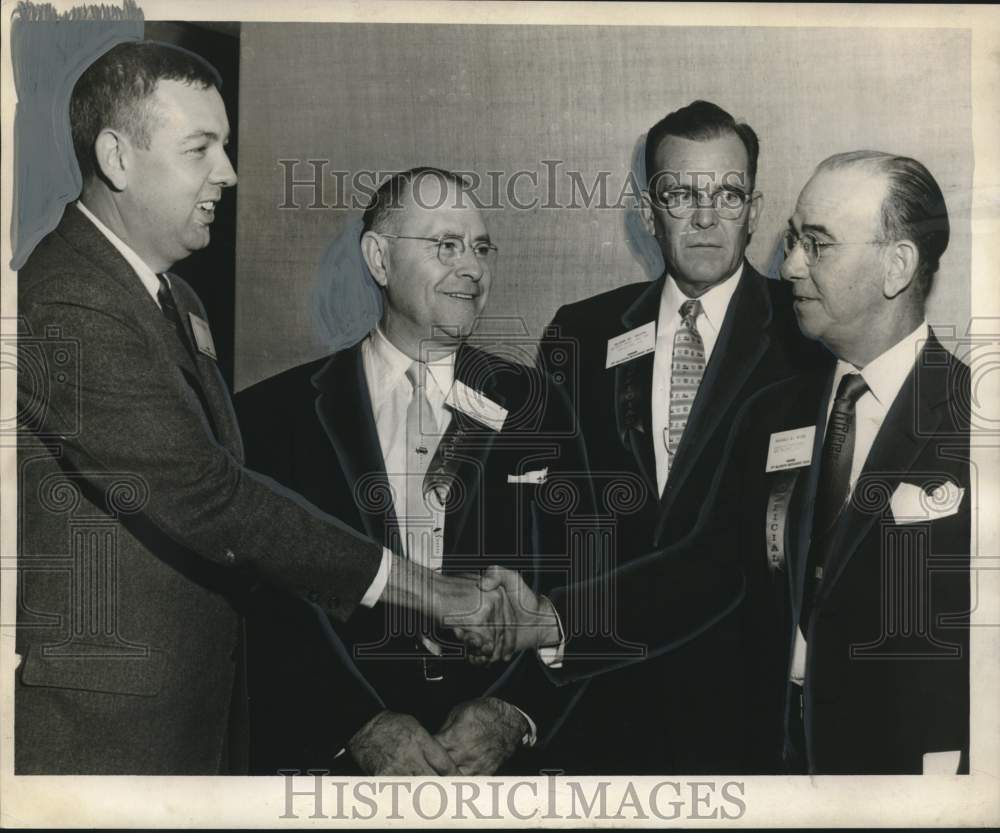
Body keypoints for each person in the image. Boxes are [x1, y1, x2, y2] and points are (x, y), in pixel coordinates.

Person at [15, 40, 507, 776]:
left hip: (189, 713)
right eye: (200, 148)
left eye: (227, 146)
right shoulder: (68, 300)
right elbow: (213, 497)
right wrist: (427, 590)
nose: (229, 172)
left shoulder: (174, 297)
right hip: (109, 729)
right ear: (117, 158)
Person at [501, 150, 970, 775]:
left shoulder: (977, 424)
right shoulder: (778, 408)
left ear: (897, 266)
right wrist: (554, 619)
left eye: (819, 245)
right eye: (793, 239)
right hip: (764, 758)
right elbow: (713, 563)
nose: (791, 264)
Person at [236, 167, 588, 776]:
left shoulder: (538, 404)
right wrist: (355, 725)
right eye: (446, 246)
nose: (472, 269)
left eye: (481, 248)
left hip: (499, 777)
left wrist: (512, 712)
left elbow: (587, 578)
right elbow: (268, 603)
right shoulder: (274, 418)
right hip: (336, 771)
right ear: (378, 258)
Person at [532, 100, 823, 773]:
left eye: (727, 193)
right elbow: (550, 519)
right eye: (680, 193)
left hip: (755, 710)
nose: (704, 215)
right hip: (602, 704)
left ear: (753, 208)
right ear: (646, 209)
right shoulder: (582, 333)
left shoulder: (808, 333)